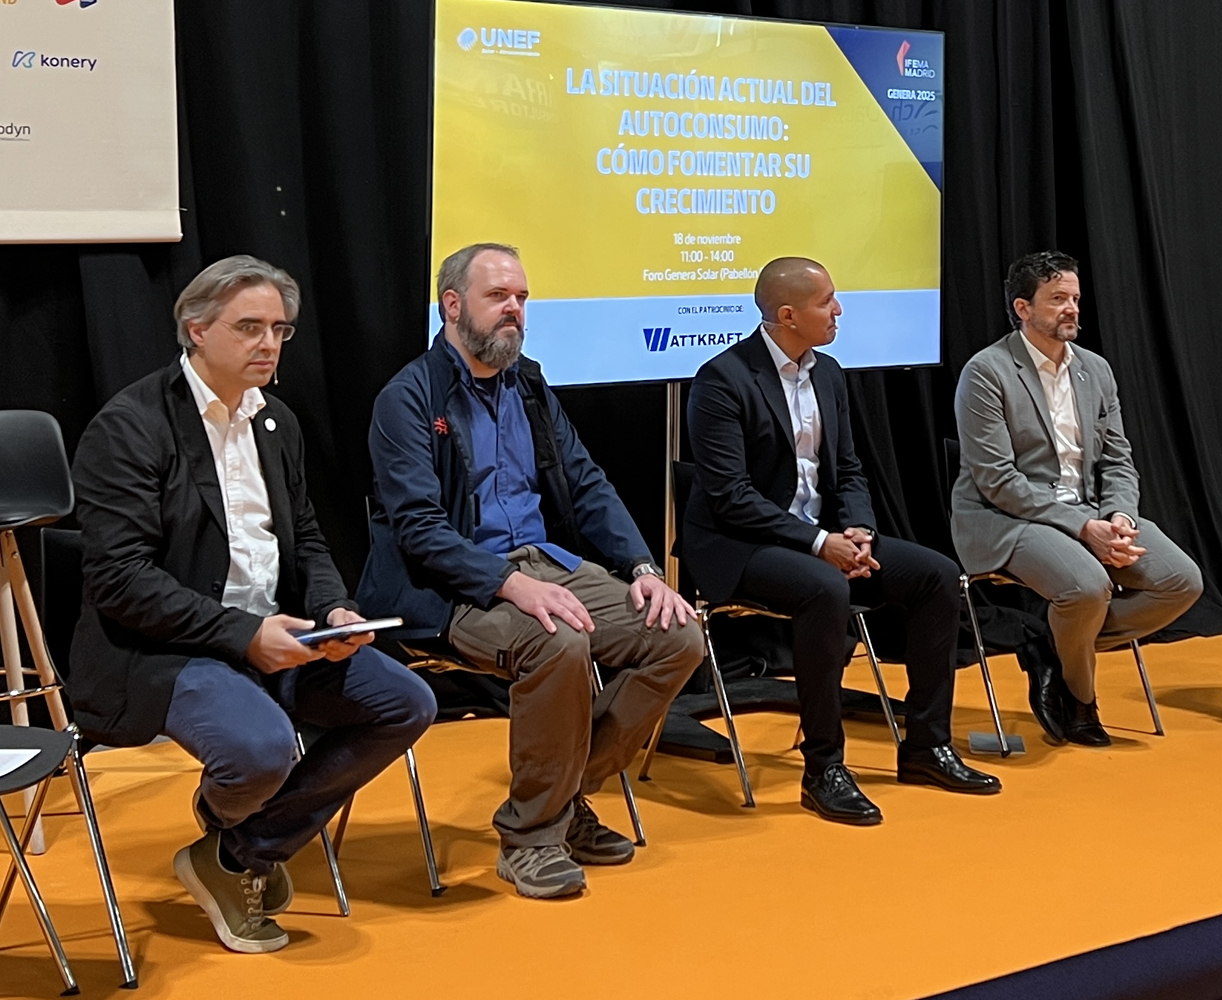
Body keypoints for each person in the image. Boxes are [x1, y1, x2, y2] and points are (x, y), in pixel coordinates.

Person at [68, 256, 437, 953]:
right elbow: (121, 581)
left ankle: (238, 850)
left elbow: (307, 536)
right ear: (196, 329)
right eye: (249, 327)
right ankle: (239, 826)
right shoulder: (130, 427)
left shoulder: (277, 423)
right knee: (262, 748)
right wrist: (243, 635)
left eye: (280, 329)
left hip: (280, 632)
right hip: (163, 650)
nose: (268, 343)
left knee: (408, 702)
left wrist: (333, 611)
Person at [359, 243, 703, 899]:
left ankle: (566, 800)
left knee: (677, 636)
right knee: (556, 641)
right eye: (499, 297)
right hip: (451, 584)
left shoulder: (531, 384)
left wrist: (641, 566)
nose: (515, 309)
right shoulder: (408, 398)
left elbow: (587, 481)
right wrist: (507, 583)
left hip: (547, 564)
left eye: (521, 297)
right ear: (452, 305)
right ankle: (531, 840)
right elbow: (420, 529)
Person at [684, 256, 1000, 826]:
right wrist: (818, 542)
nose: (839, 310)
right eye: (826, 300)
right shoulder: (721, 381)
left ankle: (927, 746)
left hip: (821, 536)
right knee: (825, 589)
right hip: (738, 546)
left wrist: (858, 529)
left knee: (934, 577)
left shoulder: (828, 373)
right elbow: (731, 497)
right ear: (786, 315)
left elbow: (849, 470)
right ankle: (823, 767)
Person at [951, 251, 1203, 746]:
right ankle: (1081, 699)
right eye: (1058, 299)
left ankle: (1050, 646)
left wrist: (1119, 516)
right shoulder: (987, 371)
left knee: (1181, 581)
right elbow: (998, 479)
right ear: (1023, 308)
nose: (1071, 309)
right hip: (1006, 515)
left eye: (1075, 299)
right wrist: (1084, 528)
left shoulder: (1095, 370)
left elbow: (1118, 459)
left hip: (1091, 509)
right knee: (1087, 589)